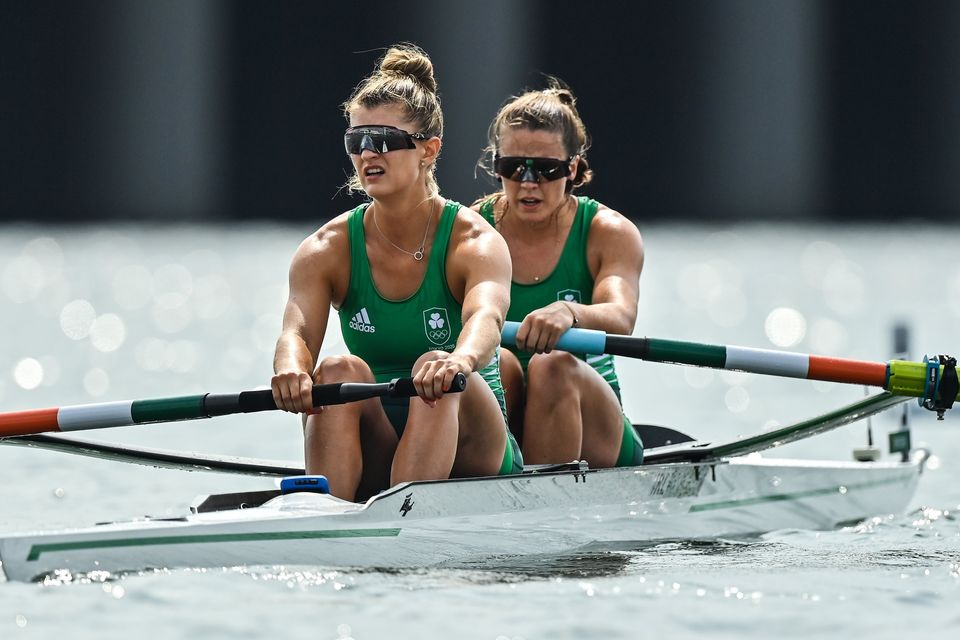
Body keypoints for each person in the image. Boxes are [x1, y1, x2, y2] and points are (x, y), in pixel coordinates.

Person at [272, 44, 521, 501]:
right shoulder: (326, 248)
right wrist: (289, 368)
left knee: (433, 365)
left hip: (474, 440)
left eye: (385, 140)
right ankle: (325, 514)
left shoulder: (474, 242)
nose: (368, 153)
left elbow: (487, 319)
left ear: (429, 150)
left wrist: (459, 361)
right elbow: (296, 332)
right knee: (334, 370)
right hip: (385, 440)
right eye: (356, 141)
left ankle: (402, 515)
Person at [472, 79, 645, 469]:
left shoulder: (607, 231)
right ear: (496, 166)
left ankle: (540, 509)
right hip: (505, 410)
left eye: (546, 170)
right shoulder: (473, 231)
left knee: (551, 364)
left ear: (573, 169)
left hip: (594, 428)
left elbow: (621, 316)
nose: (528, 183)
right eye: (513, 167)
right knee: (498, 360)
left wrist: (569, 313)